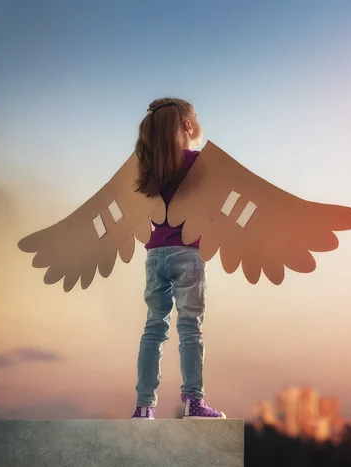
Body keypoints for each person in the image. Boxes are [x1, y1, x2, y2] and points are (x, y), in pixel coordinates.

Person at [130, 97, 225, 420]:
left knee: (153, 328)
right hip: (188, 251)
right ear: (187, 125)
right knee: (190, 327)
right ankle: (193, 402)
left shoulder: (146, 167)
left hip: (154, 253)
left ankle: (144, 406)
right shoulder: (197, 162)